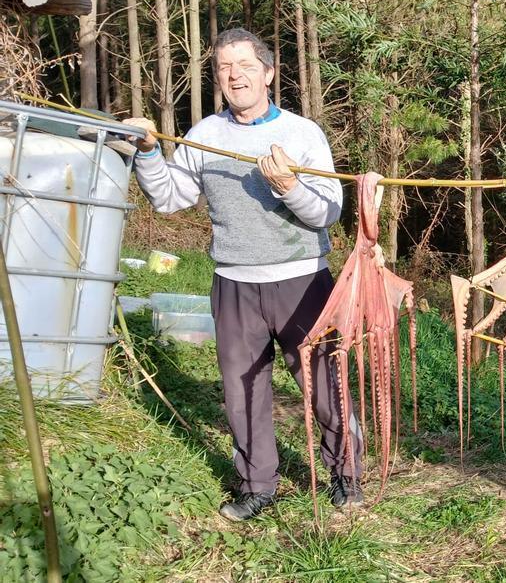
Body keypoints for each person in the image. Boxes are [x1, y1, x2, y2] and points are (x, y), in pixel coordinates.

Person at [124, 28, 363, 521]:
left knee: (324, 383)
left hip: (302, 281)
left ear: (269, 73)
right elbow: (171, 199)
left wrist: (290, 187)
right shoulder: (204, 136)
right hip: (233, 281)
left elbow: (328, 212)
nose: (235, 76)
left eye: (246, 66)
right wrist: (148, 153)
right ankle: (258, 485)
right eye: (224, 68)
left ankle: (346, 475)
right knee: (243, 390)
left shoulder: (303, 134)